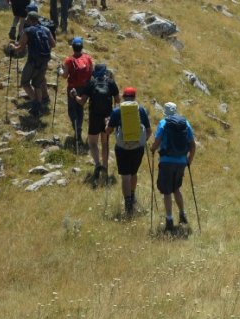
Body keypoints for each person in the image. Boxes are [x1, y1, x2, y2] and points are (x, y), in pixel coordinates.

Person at [150, 101, 196, 231]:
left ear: (165, 112)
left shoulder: (163, 123)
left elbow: (157, 142)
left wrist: (152, 149)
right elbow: (192, 145)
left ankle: (169, 220)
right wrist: (189, 160)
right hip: (181, 161)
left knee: (167, 191)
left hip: (166, 161)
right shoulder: (185, 123)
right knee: (176, 188)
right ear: (176, 111)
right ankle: (182, 214)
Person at [108, 87, 151, 215]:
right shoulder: (141, 110)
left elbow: (108, 131)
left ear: (123, 97)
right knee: (133, 173)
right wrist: (142, 141)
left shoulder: (117, 111)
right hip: (138, 148)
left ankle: (128, 205)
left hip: (122, 148)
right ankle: (132, 196)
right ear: (134, 97)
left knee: (125, 176)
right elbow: (148, 131)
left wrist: (107, 124)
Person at [6, 7, 54, 118]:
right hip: (45, 59)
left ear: (28, 20)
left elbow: (20, 48)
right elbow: (53, 44)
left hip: (33, 60)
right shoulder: (46, 30)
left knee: (25, 82)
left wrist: (13, 47)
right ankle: (40, 104)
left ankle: (36, 103)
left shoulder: (28, 31)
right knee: (37, 84)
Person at [80, 62, 120, 184]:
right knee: (105, 143)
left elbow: (82, 101)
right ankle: (105, 169)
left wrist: (74, 96)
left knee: (92, 142)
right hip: (107, 118)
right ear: (105, 71)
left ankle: (97, 164)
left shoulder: (91, 83)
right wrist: (113, 116)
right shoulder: (111, 83)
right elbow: (117, 101)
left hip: (94, 117)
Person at [61, 37, 94, 150]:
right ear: (82, 47)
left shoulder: (69, 60)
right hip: (85, 88)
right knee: (80, 108)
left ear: (73, 47)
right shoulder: (88, 58)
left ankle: (77, 129)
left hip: (72, 88)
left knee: (72, 109)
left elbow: (65, 76)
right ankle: (79, 127)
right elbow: (91, 72)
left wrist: (60, 71)